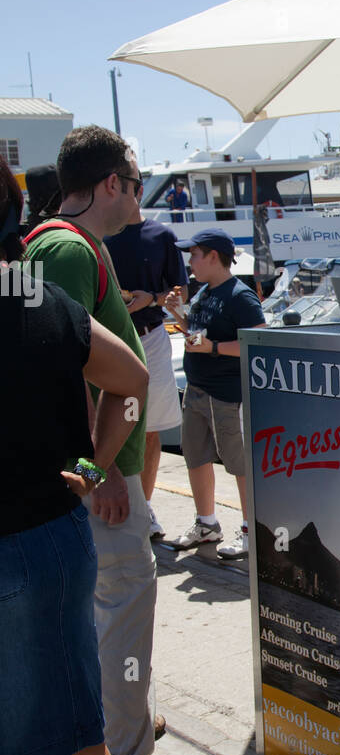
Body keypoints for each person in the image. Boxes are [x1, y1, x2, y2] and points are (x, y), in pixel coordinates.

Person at [1, 157, 150, 755]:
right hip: (47, 542)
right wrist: (90, 462)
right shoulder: (35, 299)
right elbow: (129, 382)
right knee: (75, 738)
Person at [24, 126, 192, 755]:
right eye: (136, 178)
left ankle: (113, 732)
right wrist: (96, 468)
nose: (141, 193)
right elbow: (50, 371)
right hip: (99, 482)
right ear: (111, 185)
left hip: (90, 477)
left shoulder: (57, 244)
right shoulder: (66, 248)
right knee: (124, 616)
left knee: (105, 619)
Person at [167, 228, 266, 559]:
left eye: (194, 254)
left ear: (213, 256)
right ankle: (206, 523)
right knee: (194, 457)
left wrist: (214, 349)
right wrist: (178, 314)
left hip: (226, 395)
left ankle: (252, 532)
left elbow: (257, 342)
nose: (190, 262)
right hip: (196, 389)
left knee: (239, 465)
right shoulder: (203, 292)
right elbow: (197, 336)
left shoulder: (240, 296)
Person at [105, 197, 189, 539]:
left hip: (150, 336)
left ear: (134, 191)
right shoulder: (99, 237)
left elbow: (180, 290)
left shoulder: (162, 236)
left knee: (149, 429)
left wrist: (151, 299)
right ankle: (100, 496)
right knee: (101, 428)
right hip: (107, 341)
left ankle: (142, 506)